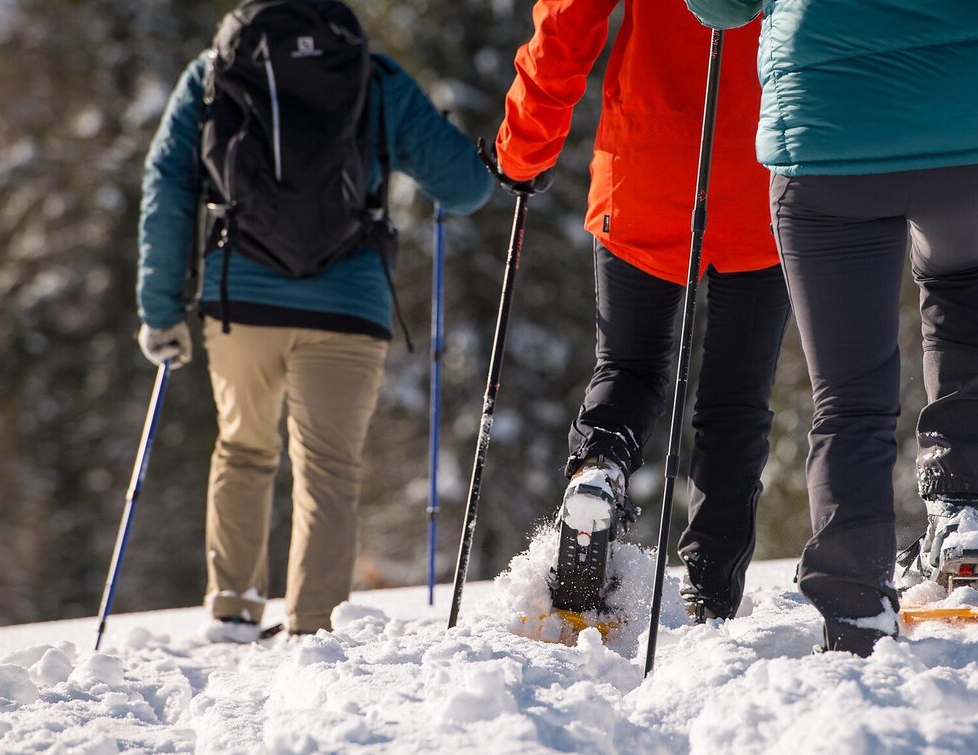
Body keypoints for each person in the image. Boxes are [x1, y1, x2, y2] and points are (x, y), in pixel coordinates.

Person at [683, 0, 978, 654]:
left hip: (826, 141)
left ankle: (854, 599)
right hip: (973, 136)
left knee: (848, 395)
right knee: (957, 277)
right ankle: (960, 512)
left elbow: (720, 7)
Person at [135, 0, 492, 639]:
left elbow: (168, 182)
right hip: (347, 305)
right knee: (328, 468)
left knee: (243, 449)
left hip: (240, 298)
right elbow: (464, 188)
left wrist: (160, 309)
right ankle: (313, 626)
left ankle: (234, 611)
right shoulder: (371, 73)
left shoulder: (213, 72)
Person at [482, 0, 792, 623]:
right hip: (766, 160)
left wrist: (524, 149)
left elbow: (567, 23)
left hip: (645, 161)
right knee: (736, 399)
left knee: (627, 366)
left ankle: (599, 467)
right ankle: (710, 594)